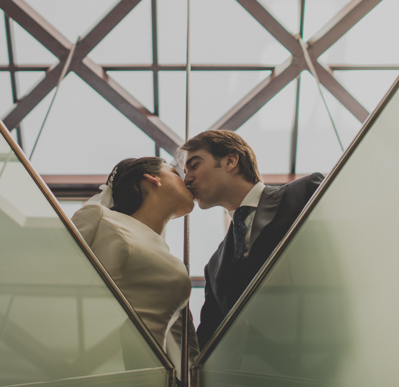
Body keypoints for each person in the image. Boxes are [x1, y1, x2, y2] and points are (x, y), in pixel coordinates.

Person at [178, 130, 324, 349]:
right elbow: (210, 342)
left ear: (230, 160)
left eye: (195, 165)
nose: (187, 179)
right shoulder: (214, 267)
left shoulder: (305, 194)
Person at [71, 157, 198, 377]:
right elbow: (60, 280)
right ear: (152, 178)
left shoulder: (175, 263)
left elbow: (186, 350)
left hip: (154, 377)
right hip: (101, 369)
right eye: (176, 174)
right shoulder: (99, 217)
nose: (186, 181)